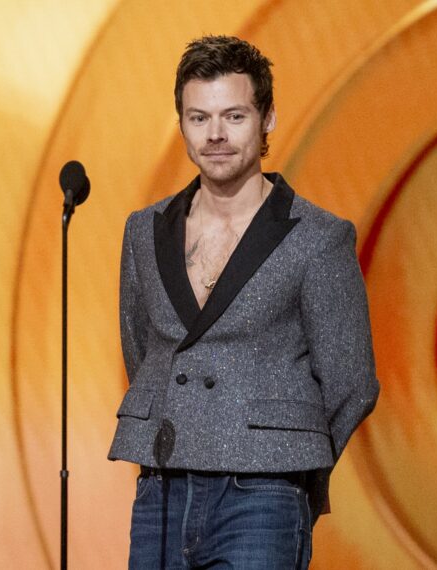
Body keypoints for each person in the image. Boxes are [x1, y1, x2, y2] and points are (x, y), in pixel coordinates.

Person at [108, 35, 379, 569]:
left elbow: (351, 380)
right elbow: (143, 351)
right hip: (163, 487)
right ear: (182, 124)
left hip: (264, 492)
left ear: (267, 118)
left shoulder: (317, 237)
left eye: (234, 116)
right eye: (199, 118)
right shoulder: (144, 231)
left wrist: (289, 457)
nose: (215, 135)